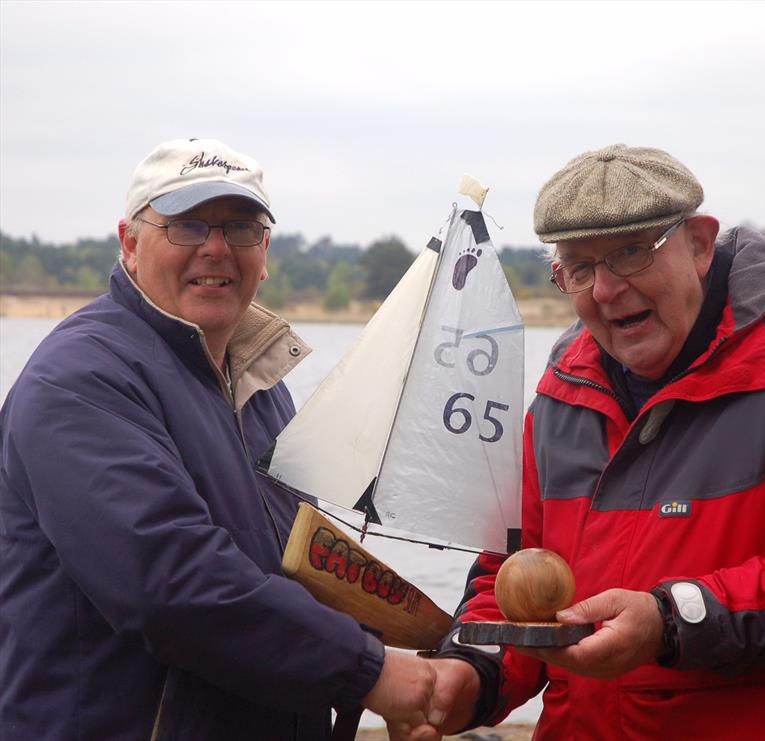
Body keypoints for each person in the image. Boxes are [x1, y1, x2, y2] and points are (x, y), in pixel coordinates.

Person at [0, 138, 438, 740]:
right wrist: (369, 671)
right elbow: (170, 584)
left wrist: (431, 644)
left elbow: (294, 567)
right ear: (130, 242)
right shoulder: (81, 378)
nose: (215, 248)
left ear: (265, 250)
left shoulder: (256, 382)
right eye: (187, 225)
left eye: (240, 227)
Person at [400, 144, 765, 740]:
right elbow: (511, 577)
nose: (606, 290)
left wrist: (671, 620)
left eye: (630, 252)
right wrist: (471, 673)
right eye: (579, 268)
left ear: (699, 242)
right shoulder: (561, 397)